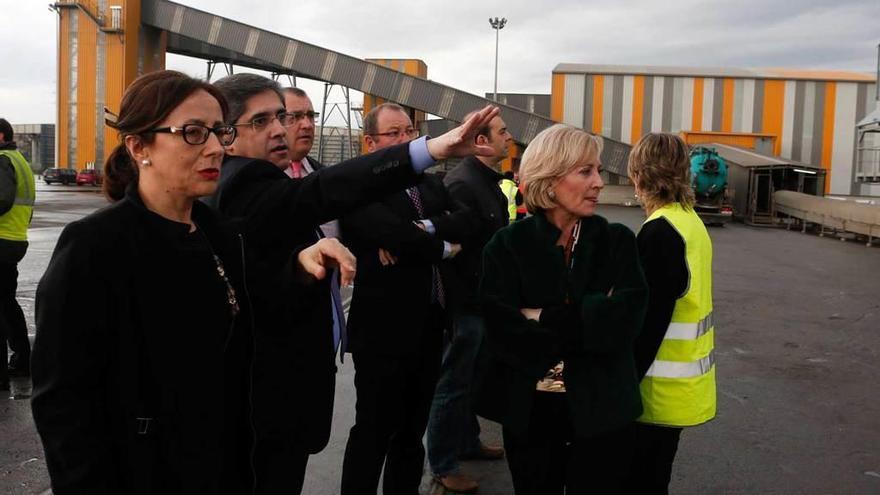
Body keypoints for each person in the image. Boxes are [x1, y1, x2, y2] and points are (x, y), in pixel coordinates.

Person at [30, 70, 339, 493]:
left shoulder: (219, 234)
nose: (215, 148)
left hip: (225, 468)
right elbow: (63, 402)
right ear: (139, 146)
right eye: (193, 133)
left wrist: (300, 268)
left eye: (218, 131)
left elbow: (254, 307)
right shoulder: (95, 247)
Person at [207, 73, 501, 493]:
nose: (280, 129)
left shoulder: (274, 182)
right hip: (270, 390)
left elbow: (464, 224)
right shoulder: (243, 181)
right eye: (262, 121)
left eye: (281, 117)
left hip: (321, 365)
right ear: (227, 136)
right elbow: (333, 193)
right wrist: (433, 150)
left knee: (404, 436)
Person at [475, 123, 648, 494]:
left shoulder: (617, 242)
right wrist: (589, 315)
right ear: (550, 180)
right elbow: (503, 332)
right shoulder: (506, 246)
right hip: (530, 415)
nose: (599, 182)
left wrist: (540, 315)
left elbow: (624, 324)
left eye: (598, 170)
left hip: (603, 413)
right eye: (586, 171)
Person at [339, 103, 475, 494]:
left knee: (411, 435)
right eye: (393, 134)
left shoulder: (431, 184)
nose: (405, 141)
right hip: (382, 332)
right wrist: (444, 247)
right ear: (370, 143)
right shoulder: (359, 188)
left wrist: (424, 229)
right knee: (373, 431)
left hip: (430, 325)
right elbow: (395, 234)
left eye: (409, 133)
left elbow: (468, 221)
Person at [626, 133, 717, 494]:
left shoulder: (660, 232)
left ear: (639, 175)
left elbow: (647, 325)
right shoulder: (689, 222)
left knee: (640, 482)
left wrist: (620, 389)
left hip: (653, 393)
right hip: (679, 391)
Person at [426, 111, 512, 493]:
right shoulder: (462, 184)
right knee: (453, 383)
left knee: (472, 378)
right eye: (502, 132)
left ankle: (467, 441)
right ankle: (444, 464)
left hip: (483, 300)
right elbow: (454, 249)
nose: (509, 137)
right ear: (481, 141)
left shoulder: (488, 182)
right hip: (465, 305)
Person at [0, 118, 35, 389]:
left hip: (2, 239)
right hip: (15, 238)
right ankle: (23, 360)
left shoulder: (2, 159)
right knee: (7, 304)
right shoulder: (20, 160)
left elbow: (2, 199)